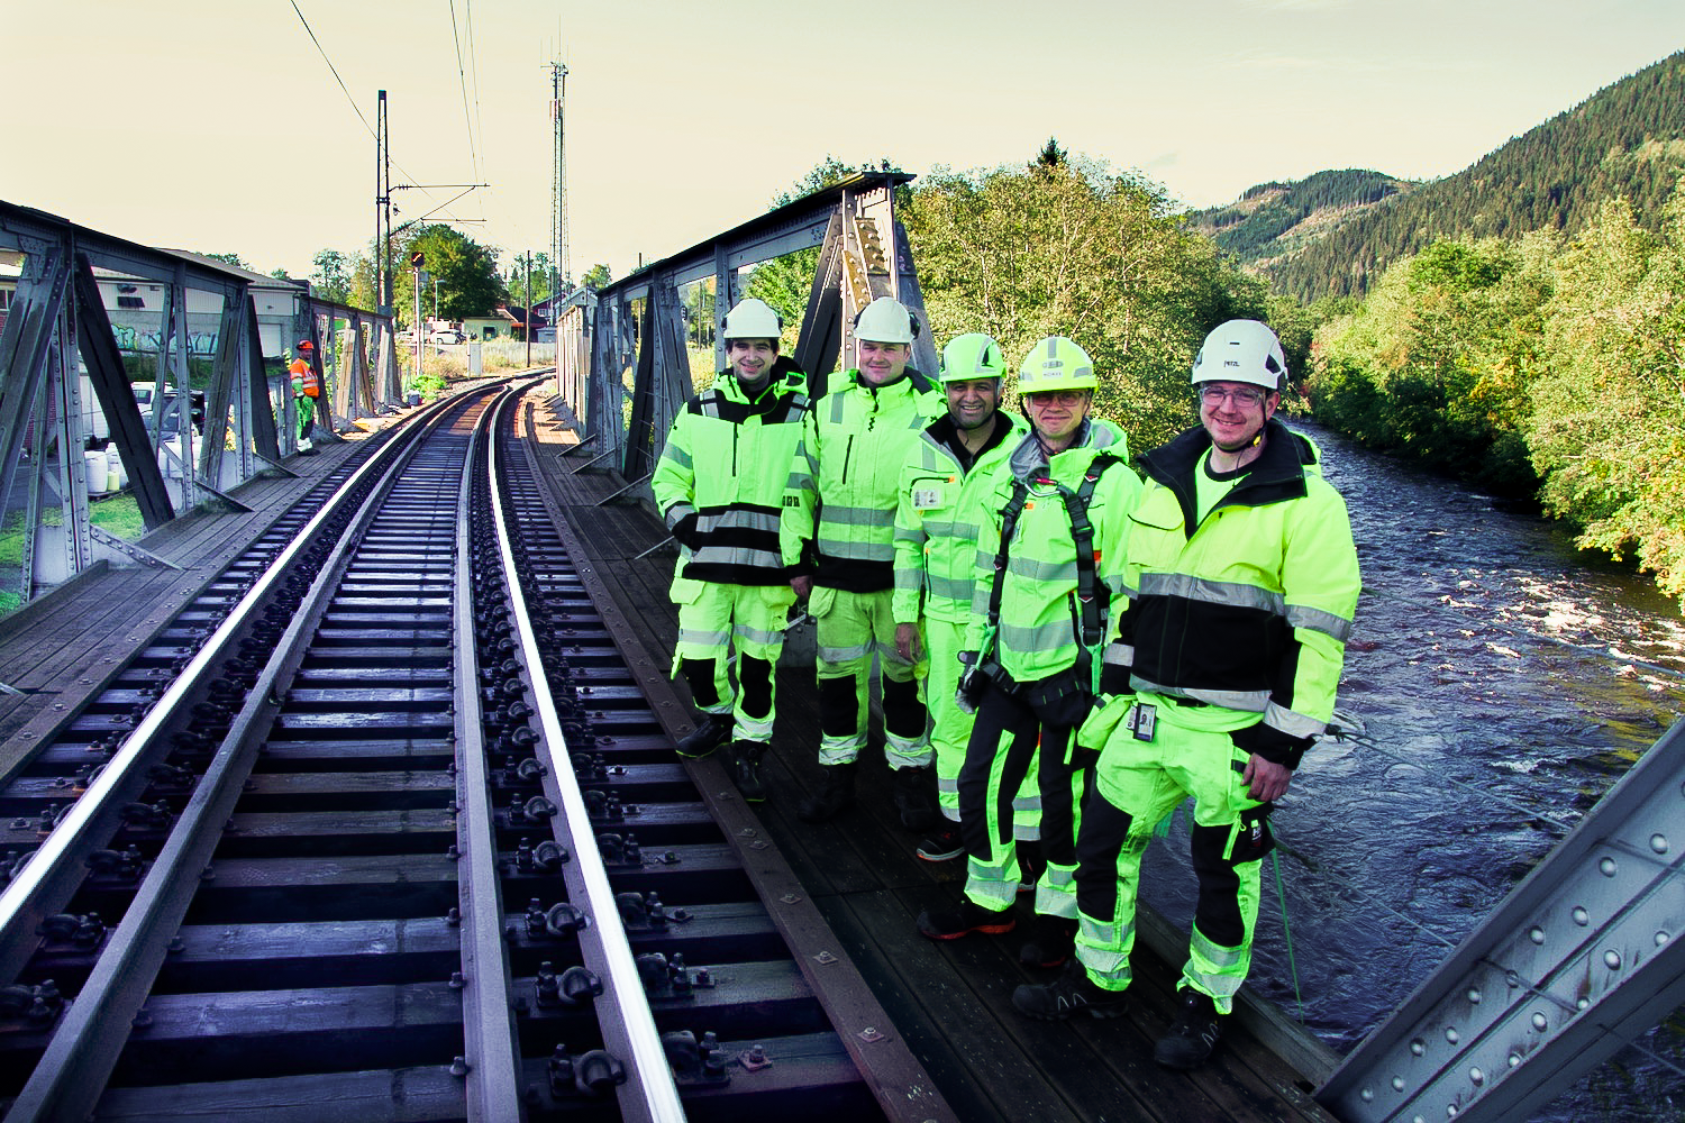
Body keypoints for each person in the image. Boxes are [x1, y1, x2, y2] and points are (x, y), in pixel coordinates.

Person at [1011, 319, 1361, 1074]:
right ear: (1197, 395)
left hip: (1233, 734)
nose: (1226, 407)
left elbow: (1319, 634)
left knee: (1222, 877)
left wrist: (1280, 744)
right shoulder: (1158, 481)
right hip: (1142, 718)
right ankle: (1099, 977)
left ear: (1273, 403)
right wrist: (1107, 696)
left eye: (1244, 393)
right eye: (1214, 391)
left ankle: (1208, 1002)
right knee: (1098, 849)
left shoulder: (1307, 503)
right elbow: (1134, 606)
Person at [917, 337, 1140, 971]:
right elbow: (990, 577)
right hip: (1008, 671)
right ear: (1027, 402)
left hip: (1074, 680)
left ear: (1088, 399)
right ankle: (989, 902)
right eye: (1042, 396)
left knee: (1063, 805)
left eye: (1067, 394)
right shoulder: (1014, 477)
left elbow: (1131, 591)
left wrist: (1109, 685)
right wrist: (973, 658)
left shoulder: (1115, 485)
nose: (1054, 406)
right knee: (980, 785)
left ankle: (1056, 919)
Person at [782, 296, 943, 826]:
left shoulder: (932, 409)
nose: (878, 357)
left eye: (890, 348)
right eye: (869, 346)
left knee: (905, 684)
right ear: (858, 347)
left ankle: (910, 781)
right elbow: (799, 486)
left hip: (903, 585)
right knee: (836, 683)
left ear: (907, 349)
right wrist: (796, 562)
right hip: (837, 582)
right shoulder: (827, 405)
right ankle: (838, 779)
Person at [650, 298, 809, 800]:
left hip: (768, 571)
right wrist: (688, 528)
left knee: (759, 669)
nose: (750, 356)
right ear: (729, 350)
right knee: (698, 659)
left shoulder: (804, 414)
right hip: (706, 565)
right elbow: (669, 477)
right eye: (742, 346)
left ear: (775, 351)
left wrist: (802, 556)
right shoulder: (699, 410)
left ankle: (750, 750)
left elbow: (817, 488)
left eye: (760, 347)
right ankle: (717, 718)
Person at [892, 333, 1029, 861]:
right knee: (949, 728)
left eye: (982, 385)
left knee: (1016, 733)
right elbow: (907, 542)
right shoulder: (922, 452)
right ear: (944, 391)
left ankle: (1022, 837)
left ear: (999, 388)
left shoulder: (1025, 453)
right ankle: (959, 825)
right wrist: (906, 618)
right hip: (943, 622)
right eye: (958, 387)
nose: (969, 396)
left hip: (1010, 623)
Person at [289, 340, 321, 454]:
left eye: (309, 352)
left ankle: (307, 446)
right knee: (303, 422)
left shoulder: (307, 366)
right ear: (300, 352)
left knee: (308, 422)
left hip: (309, 398)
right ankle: (302, 448)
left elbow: (311, 383)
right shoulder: (298, 365)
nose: (309, 354)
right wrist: (301, 395)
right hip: (303, 398)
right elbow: (296, 382)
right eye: (306, 351)